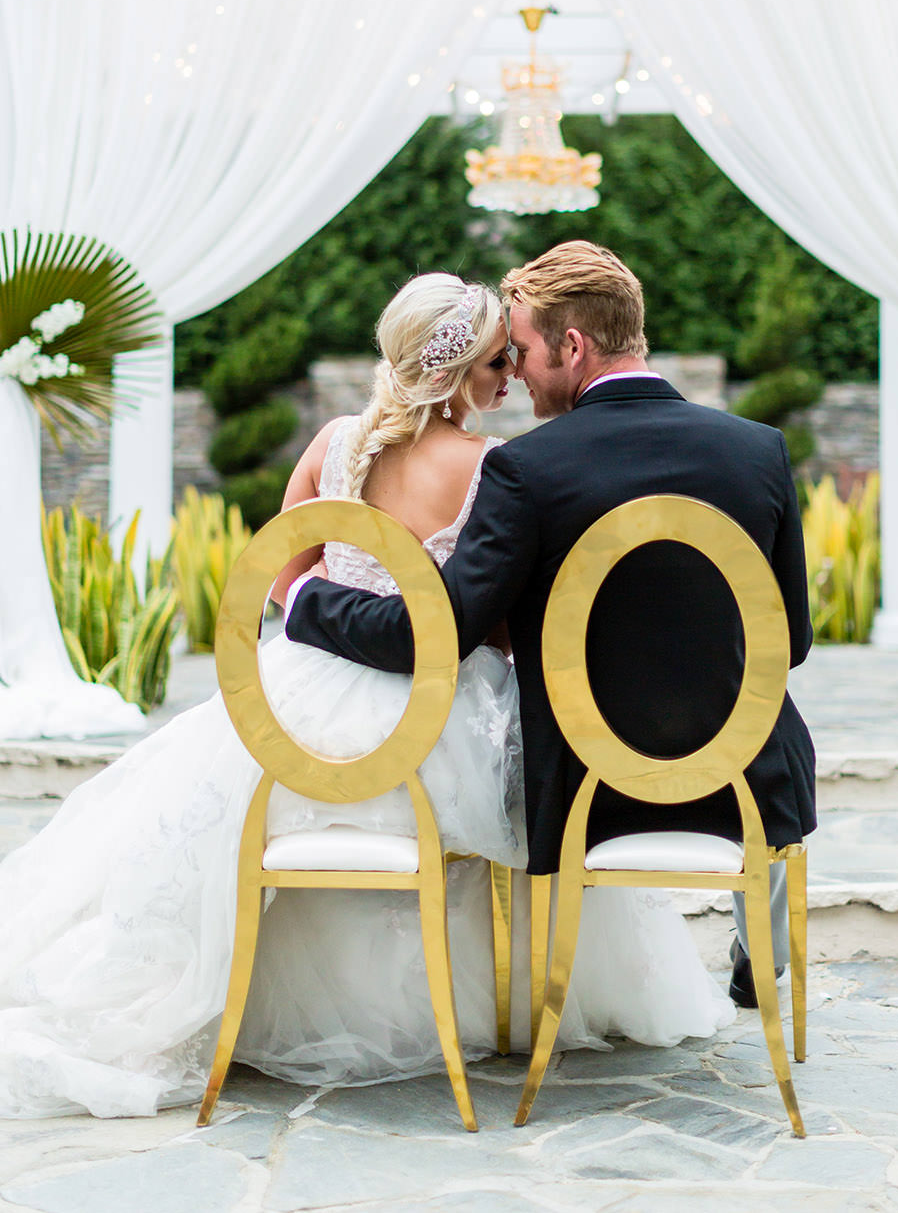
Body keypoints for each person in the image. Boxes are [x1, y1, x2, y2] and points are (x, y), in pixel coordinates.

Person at [0, 272, 733, 1121]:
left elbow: (283, 574)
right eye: (500, 361)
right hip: (437, 710)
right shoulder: (492, 466)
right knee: (502, 801)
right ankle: (491, 1002)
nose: (509, 379)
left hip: (302, 698)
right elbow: (490, 618)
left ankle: (243, 999)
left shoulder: (336, 445)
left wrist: (328, 613)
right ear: (460, 373)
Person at [286, 243, 817, 1009]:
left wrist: (306, 598)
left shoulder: (527, 469)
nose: (519, 374)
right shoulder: (758, 451)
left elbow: (435, 631)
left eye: (525, 352)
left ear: (572, 346)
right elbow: (790, 642)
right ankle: (759, 956)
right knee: (760, 730)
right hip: (742, 782)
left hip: (586, 786)